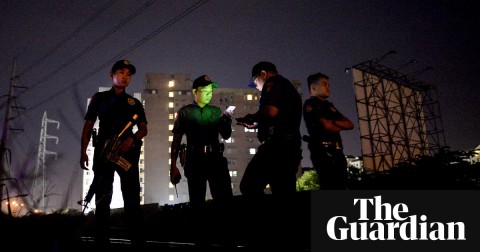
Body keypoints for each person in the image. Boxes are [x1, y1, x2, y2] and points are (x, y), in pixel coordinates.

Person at [80, 59, 148, 249]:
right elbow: (87, 127)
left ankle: (137, 241)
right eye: (121, 72)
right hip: (104, 151)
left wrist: (131, 139)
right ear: (112, 75)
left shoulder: (134, 103)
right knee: (102, 198)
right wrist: (83, 152)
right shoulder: (99, 98)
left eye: (128, 74)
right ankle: (101, 241)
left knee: (132, 197)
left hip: (126, 152)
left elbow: (143, 129)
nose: (125, 76)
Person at [236, 61, 303, 249]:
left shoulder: (273, 84)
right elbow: (280, 117)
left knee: (248, 186)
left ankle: (262, 235)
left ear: (263, 74)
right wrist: (257, 124)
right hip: (290, 146)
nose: (257, 87)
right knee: (284, 196)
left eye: (255, 82)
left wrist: (252, 116)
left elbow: (271, 110)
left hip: (277, 147)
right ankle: (286, 240)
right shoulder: (287, 87)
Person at [169, 74, 233, 246]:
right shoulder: (185, 112)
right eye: (204, 90)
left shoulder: (216, 112)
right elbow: (176, 140)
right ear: (195, 92)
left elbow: (226, 135)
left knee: (223, 200)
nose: (208, 93)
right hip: (195, 159)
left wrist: (226, 120)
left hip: (215, 159)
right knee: (197, 202)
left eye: (210, 90)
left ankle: (225, 238)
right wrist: (173, 166)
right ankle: (201, 240)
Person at [303, 72, 354, 189]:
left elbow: (350, 124)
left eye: (328, 85)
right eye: (325, 84)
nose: (328, 87)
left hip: (337, 150)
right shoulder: (311, 104)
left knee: (341, 185)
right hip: (323, 151)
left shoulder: (328, 105)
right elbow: (327, 126)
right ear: (314, 87)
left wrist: (334, 122)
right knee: (329, 186)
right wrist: (337, 124)